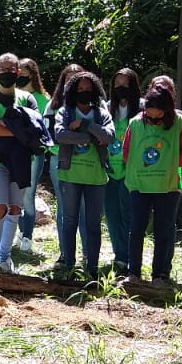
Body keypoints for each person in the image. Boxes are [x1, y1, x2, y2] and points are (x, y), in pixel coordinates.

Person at [121, 83, 182, 284]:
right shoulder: (135, 123)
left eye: (158, 116)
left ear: (167, 111)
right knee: (136, 229)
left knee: (163, 231)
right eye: (149, 116)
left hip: (168, 186)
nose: (153, 120)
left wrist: (171, 162)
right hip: (139, 185)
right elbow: (126, 151)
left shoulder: (179, 123)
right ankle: (133, 273)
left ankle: (159, 274)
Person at [0, 52, 38, 273]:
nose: (7, 72)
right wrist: (17, 128)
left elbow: (33, 129)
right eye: (2, 69)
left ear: (18, 72)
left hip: (21, 162)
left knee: (14, 209)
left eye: (11, 69)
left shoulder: (27, 98)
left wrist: (2, 124)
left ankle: (5, 258)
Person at [51, 71, 114, 279]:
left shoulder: (101, 113)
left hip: (96, 177)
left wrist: (85, 125)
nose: (84, 92)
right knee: (69, 221)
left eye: (88, 89)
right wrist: (92, 137)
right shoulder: (65, 112)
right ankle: (69, 266)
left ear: (95, 90)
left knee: (93, 224)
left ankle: (92, 269)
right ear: (72, 91)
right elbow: (60, 135)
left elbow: (109, 136)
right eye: (80, 89)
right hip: (70, 175)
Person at [14, 59, 52, 252]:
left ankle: (27, 236)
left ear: (33, 75)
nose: (20, 77)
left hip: (34, 154)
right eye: (18, 73)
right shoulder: (12, 95)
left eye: (24, 74)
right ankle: (18, 234)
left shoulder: (44, 99)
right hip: (13, 153)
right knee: (15, 195)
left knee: (28, 195)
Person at [105, 68, 141, 268]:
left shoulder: (142, 108)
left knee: (129, 214)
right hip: (109, 170)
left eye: (125, 84)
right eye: (117, 85)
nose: (121, 88)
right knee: (111, 214)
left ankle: (128, 256)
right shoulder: (107, 107)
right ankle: (119, 254)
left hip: (131, 172)